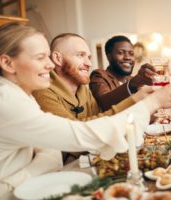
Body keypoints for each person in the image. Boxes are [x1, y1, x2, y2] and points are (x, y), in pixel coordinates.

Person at [0, 23, 171, 197]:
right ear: (7, 63)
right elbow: (81, 135)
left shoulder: (22, 94)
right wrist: (151, 103)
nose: (50, 64)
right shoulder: (5, 99)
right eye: (40, 58)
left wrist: (44, 160)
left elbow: (57, 149)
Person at [33, 33, 153, 163]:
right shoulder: (42, 91)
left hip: (92, 160)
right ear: (57, 58)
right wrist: (137, 100)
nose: (89, 63)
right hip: (62, 170)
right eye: (80, 55)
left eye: (89, 57)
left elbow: (102, 119)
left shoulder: (83, 88)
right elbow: (74, 138)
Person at [89, 35, 156, 111]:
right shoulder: (99, 75)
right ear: (109, 56)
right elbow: (104, 104)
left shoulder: (131, 79)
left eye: (131, 54)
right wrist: (132, 84)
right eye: (120, 53)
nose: (127, 57)